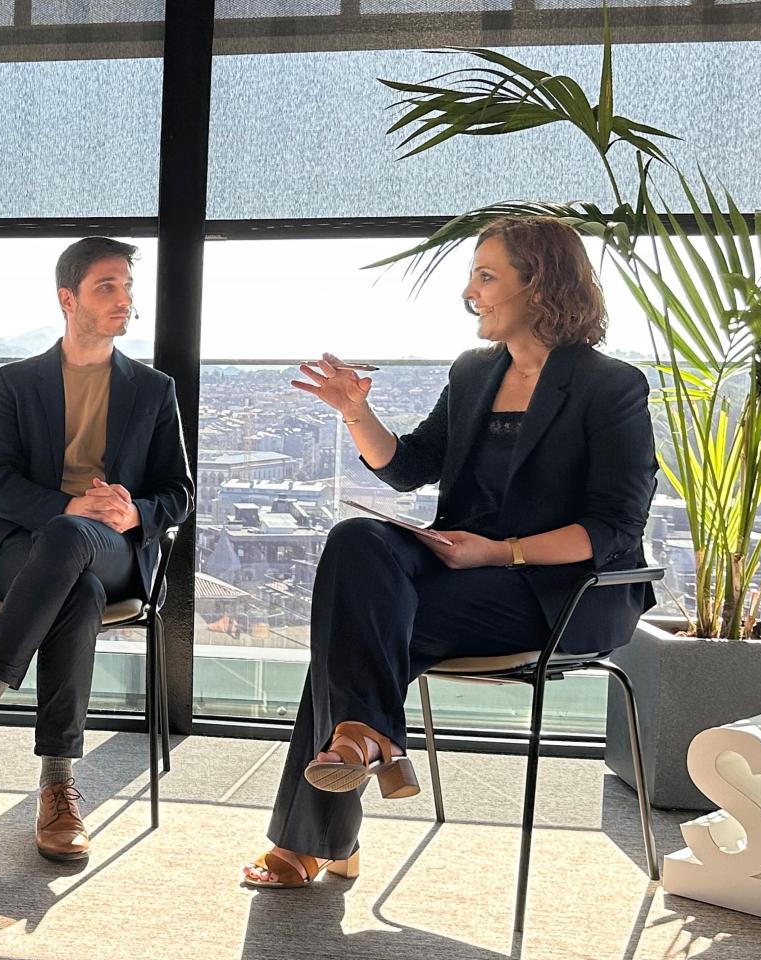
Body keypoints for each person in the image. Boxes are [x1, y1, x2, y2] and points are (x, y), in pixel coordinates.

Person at [243, 217, 657, 888]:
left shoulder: (610, 386)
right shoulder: (473, 373)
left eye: (486, 276)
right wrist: (353, 410)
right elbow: (408, 468)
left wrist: (500, 553)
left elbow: (612, 528)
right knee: (356, 542)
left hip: (557, 591)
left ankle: (326, 820)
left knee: (354, 632)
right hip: (457, 570)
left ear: (541, 286)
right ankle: (363, 746)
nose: (471, 292)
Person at [0, 237, 193, 861]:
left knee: (79, 550)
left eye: (126, 285)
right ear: (68, 299)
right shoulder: (16, 382)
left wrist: (133, 511)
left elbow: (179, 491)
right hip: (28, 548)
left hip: (115, 549)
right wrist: (67, 506)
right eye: (106, 286)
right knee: (76, 587)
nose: (124, 298)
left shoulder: (152, 389)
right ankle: (58, 787)